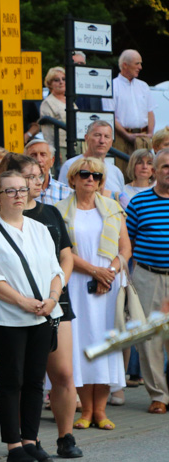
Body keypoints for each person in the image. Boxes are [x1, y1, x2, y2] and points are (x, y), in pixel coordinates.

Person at [0, 170, 65, 462]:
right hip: (8, 318)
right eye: (10, 191)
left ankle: (31, 440)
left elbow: (56, 270)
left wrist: (51, 300)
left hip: (43, 315)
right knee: (12, 380)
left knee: (35, 382)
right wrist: (24, 302)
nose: (17, 196)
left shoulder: (39, 229)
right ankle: (14, 446)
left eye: (22, 190)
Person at [14, 155, 83, 458]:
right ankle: (29, 439)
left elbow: (65, 256)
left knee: (64, 373)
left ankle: (65, 437)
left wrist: (57, 289)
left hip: (56, 300)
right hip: (20, 303)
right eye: (30, 176)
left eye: (40, 175)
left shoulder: (52, 212)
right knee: (26, 376)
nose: (38, 180)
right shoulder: (5, 217)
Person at [57, 156, 131, 431]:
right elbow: (62, 252)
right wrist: (94, 271)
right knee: (81, 343)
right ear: (73, 178)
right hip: (76, 283)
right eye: (85, 174)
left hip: (107, 287)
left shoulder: (112, 208)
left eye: (97, 176)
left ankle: (100, 410)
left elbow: (125, 249)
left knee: (104, 343)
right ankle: (85, 410)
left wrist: (108, 272)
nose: (91, 179)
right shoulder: (60, 210)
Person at [125, 148, 169, 415]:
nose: (168, 171)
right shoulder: (139, 203)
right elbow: (127, 242)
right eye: (164, 166)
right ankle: (159, 395)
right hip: (147, 275)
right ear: (155, 171)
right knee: (149, 340)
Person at [102, 50, 155, 172]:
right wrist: (127, 136)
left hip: (143, 138)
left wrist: (150, 134)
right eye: (137, 63)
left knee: (144, 174)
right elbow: (110, 116)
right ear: (125, 65)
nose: (140, 67)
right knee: (123, 171)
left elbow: (150, 112)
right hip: (122, 139)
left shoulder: (143, 86)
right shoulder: (112, 86)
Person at [58, 121, 125, 197]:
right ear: (86, 138)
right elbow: (63, 197)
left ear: (111, 142)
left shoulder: (116, 172)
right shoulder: (70, 165)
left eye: (106, 136)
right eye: (97, 135)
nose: (102, 141)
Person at [39, 67, 76, 161]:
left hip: (76, 145)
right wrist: (54, 151)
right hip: (61, 147)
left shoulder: (70, 100)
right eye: (56, 80)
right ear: (50, 84)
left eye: (64, 79)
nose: (61, 82)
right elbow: (48, 132)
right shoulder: (48, 103)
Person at [25, 138, 73, 204]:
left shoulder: (66, 192)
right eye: (33, 155)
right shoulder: (21, 192)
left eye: (43, 155)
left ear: (52, 161)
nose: (38, 160)